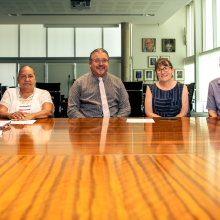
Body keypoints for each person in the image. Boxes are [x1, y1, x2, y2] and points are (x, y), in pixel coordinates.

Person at [68, 48, 130, 118]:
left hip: (113, 126)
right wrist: (85, 123)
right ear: (90, 63)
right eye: (96, 60)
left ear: (108, 63)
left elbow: (125, 108)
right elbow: (72, 109)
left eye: (104, 60)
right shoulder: (79, 83)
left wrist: (116, 123)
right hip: (88, 126)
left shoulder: (118, 83)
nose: (101, 64)